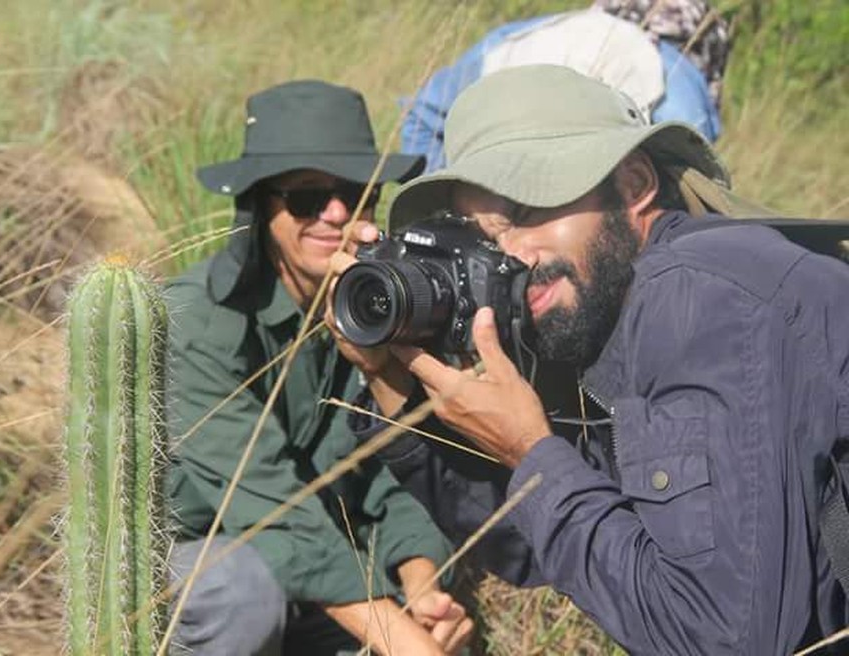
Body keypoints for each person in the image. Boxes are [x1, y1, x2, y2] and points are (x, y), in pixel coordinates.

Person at [328, 65, 849, 654]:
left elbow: (726, 640)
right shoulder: (605, 316)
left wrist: (532, 453)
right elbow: (536, 551)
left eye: (527, 210)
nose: (515, 255)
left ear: (632, 184)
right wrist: (390, 378)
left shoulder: (700, 300)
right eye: (485, 237)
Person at [164, 79, 473, 656]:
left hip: (315, 558)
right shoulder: (196, 322)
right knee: (245, 593)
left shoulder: (378, 310)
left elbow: (397, 473)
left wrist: (422, 586)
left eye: (356, 190)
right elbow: (273, 511)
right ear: (261, 207)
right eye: (308, 197)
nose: (335, 213)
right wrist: (405, 642)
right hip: (195, 557)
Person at [402, 0, 729, 173]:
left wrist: (442, 217)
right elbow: (697, 193)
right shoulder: (684, 90)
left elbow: (422, 112)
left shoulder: (522, 36)